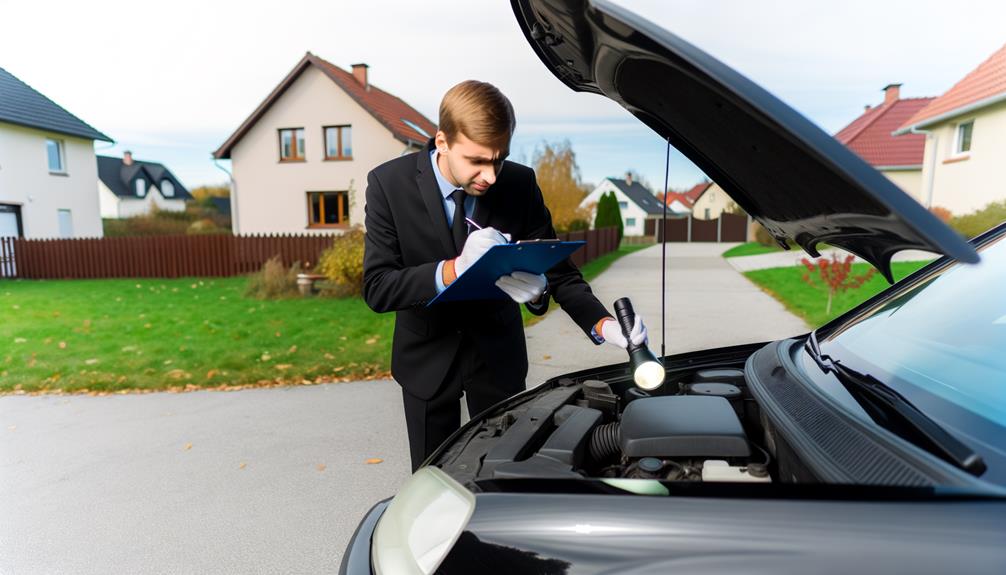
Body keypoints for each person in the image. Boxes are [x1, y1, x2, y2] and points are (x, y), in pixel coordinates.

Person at [362, 80, 647, 472]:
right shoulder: (387, 185)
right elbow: (378, 288)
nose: (491, 175)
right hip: (425, 362)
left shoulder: (519, 184)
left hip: (498, 362)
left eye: (499, 158)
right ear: (442, 141)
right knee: (429, 483)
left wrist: (603, 324)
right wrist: (453, 269)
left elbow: (561, 274)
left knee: (502, 477)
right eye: (477, 160)